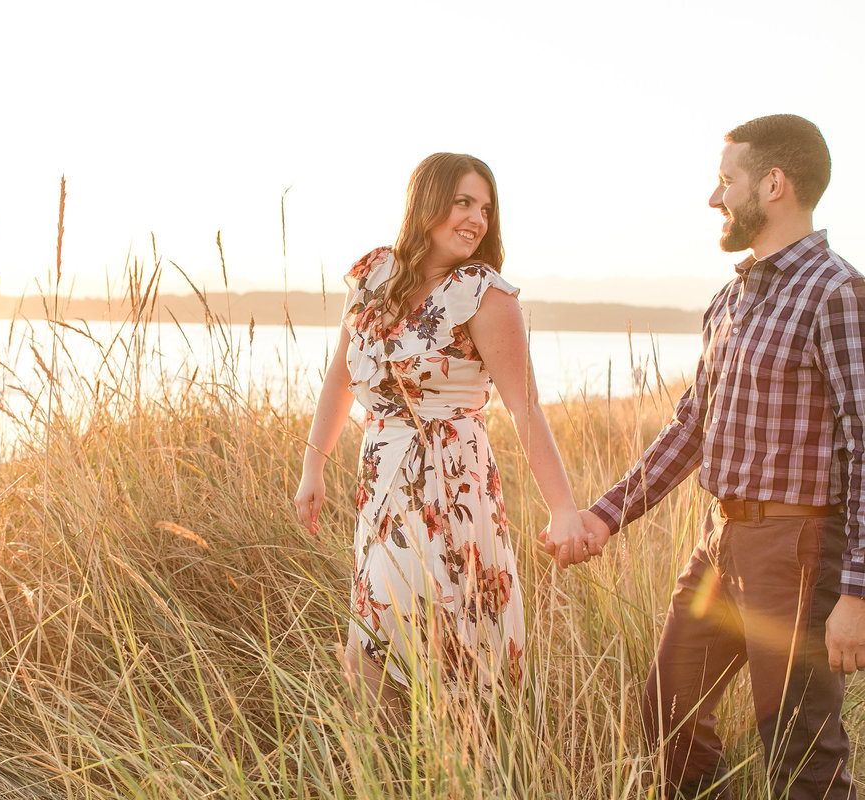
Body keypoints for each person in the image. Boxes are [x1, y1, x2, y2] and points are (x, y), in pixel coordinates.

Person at [566, 114, 864, 799]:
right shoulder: (729, 299)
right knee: (666, 716)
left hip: (797, 550)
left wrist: (858, 591)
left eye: (725, 180)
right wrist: (605, 516)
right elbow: (690, 428)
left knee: (802, 756)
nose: (713, 197)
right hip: (720, 543)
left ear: (774, 184)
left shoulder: (838, 293)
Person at [293, 152, 601, 720]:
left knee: (452, 640)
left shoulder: (484, 293)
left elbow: (525, 408)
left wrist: (563, 508)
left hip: (453, 484)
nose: (477, 219)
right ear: (426, 202)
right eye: (463, 202)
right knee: (375, 633)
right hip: (381, 477)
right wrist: (313, 467)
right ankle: (380, 768)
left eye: (485, 208)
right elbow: (342, 373)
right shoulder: (371, 276)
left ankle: (469, 765)